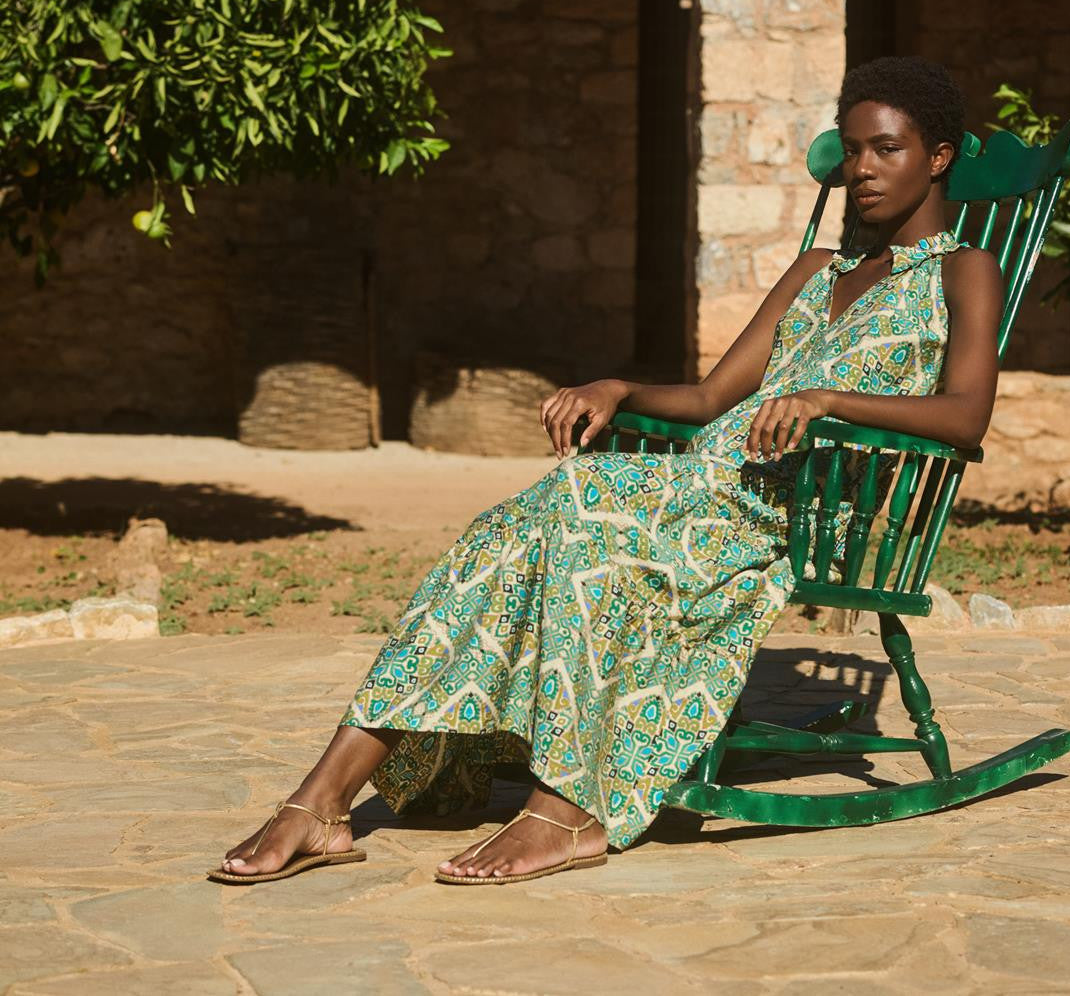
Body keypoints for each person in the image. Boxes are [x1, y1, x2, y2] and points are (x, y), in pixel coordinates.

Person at [210, 55, 1002, 887]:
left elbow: (965, 415)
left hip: (797, 514)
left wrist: (830, 399)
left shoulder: (962, 272)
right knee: (506, 530)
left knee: (584, 510)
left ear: (938, 157)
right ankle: (321, 800)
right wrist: (619, 386)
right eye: (852, 152)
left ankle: (566, 810)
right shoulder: (816, 272)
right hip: (705, 488)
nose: (863, 171)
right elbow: (707, 398)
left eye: (887, 150)